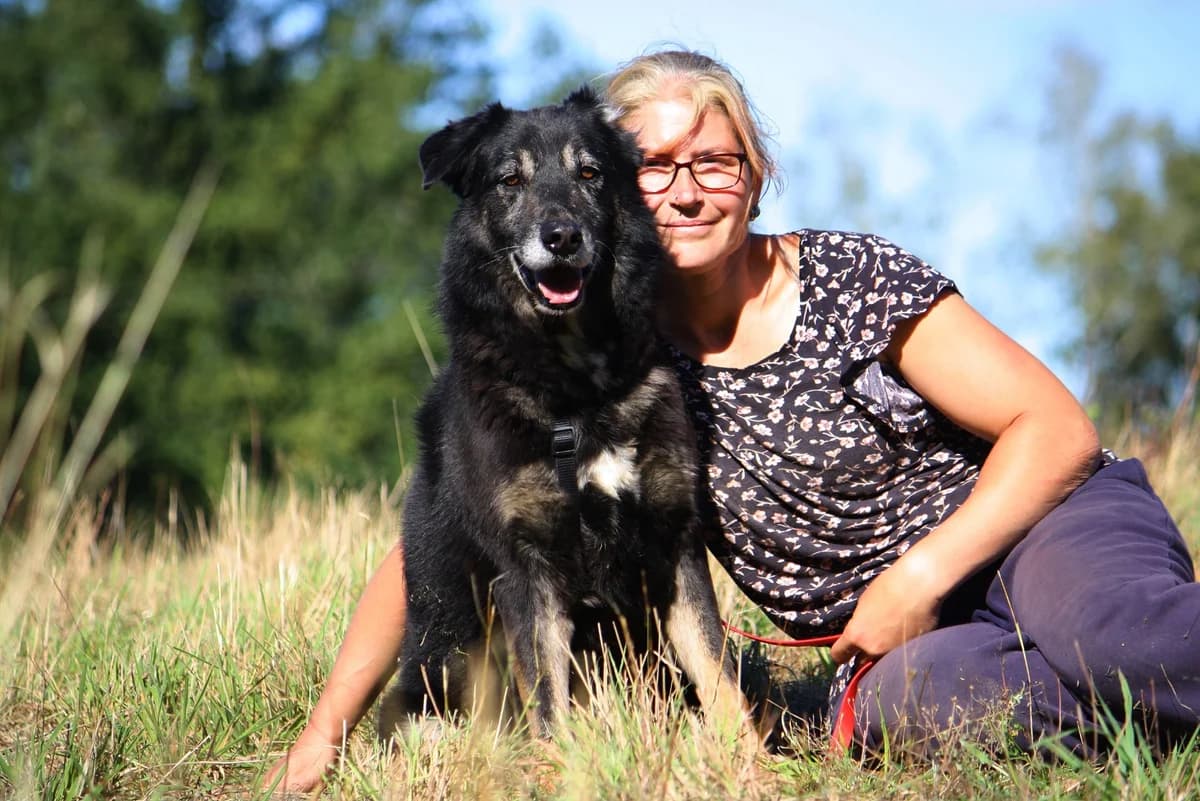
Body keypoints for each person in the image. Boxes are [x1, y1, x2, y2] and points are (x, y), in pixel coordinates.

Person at [264, 49, 1200, 792]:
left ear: (757, 176)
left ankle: (1135, 668)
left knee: (1120, 635)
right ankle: (1146, 719)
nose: (686, 188)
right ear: (629, 189)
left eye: (715, 160)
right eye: (656, 165)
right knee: (918, 713)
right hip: (901, 650)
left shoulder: (853, 279)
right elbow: (447, 531)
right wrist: (324, 732)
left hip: (1039, 528)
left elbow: (1059, 431)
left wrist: (918, 575)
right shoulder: (616, 355)